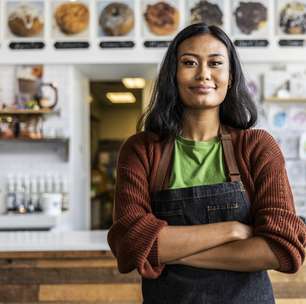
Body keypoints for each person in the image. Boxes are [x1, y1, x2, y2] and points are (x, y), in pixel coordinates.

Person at [107, 23, 306, 303]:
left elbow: (282, 248)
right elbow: (130, 243)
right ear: (172, 75)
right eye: (189, 62)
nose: (203, 74)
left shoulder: (258, 147)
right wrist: (232, 230)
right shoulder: (141, 151)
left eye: (215, 63)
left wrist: (170, 250)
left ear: (231, 76)